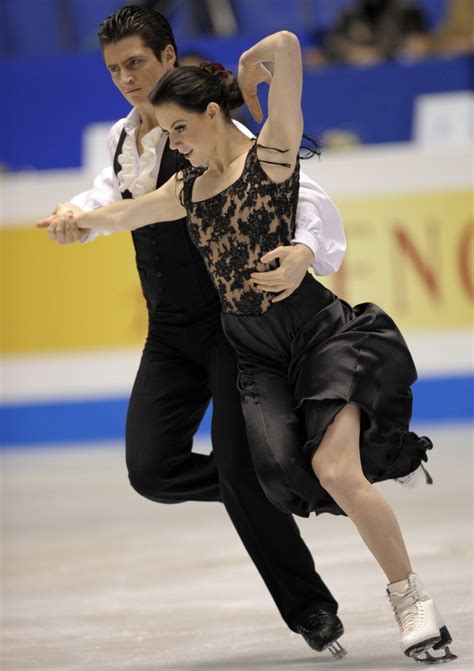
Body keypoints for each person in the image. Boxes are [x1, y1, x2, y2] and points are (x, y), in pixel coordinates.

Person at [39, 28, 459, 666]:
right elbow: (124, 210)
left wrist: (246, 68)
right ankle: (335, 501)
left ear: (210, 112)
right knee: (273, 475)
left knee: (329, 472)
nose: (173, 144)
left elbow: (288, 47)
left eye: (180, 131)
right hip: (250, 351)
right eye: (168, 135)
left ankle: (411, 601)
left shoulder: (271, 158)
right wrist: (78, 218)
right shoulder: (183, 187)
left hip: (315, 335)